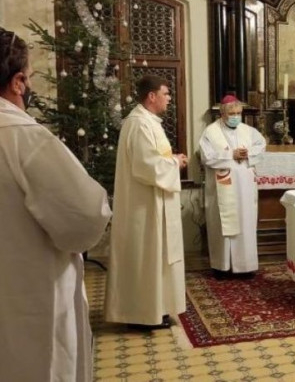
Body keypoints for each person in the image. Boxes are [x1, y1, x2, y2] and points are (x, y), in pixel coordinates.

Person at [0, 28, 111, 382]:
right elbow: (86, 216)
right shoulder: (24, 138)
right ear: (18, 82)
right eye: (30, 76)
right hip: (30, 294)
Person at [105, 75, 188, 329]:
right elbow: (146, 165)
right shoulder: (139, 123)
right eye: (165, 94)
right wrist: (175, 162)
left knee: (155, 259)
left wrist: (171, 160)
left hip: (153, 202)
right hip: (144, 206)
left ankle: (156, 310)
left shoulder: (149, 121)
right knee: (146, 258)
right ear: (151, 96)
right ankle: (141, 315)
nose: (169, 98)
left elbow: (153, 158)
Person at [199, 95, 266, 276]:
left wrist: (248, 153)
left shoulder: (248, 131)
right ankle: (222, 267)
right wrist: (231, 155)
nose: (236, 117)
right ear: (222, 114)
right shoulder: (210, 132)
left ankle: (245, 267)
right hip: (222, 186)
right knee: (223, 223)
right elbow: (206, 157)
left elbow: (261, 145)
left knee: (245, 222)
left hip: (244, 187)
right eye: (232, 114)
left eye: (238, 113)